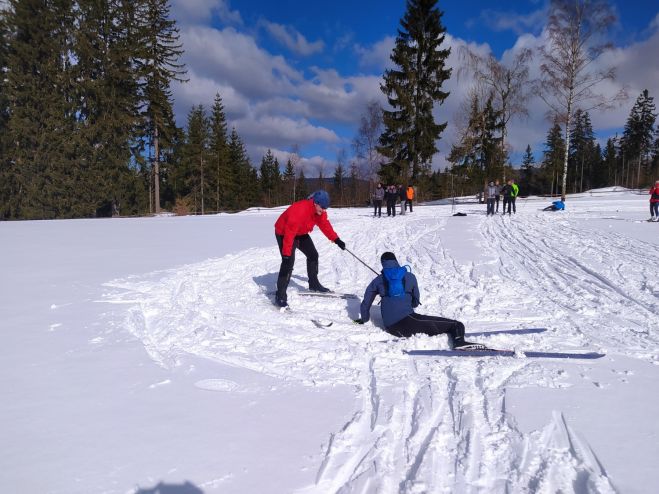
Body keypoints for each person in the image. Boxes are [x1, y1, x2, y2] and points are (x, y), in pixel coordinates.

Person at [353, 252, 484, 350]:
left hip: (391, 328)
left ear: (383, 264)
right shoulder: (409, 276)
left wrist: (364, 319)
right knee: (456, 325)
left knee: (423, 322)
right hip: (408, 322)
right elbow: (415, 301)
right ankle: (459, 342)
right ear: (396, 261)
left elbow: (366, 303)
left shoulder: (378, 280)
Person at [274, 190, 346, 307]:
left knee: (313, 255)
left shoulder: (320, 212)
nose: (323, 210)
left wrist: (336, 239)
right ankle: (280, 295)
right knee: (288, 263)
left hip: (300, 233)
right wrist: (286, 253)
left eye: (325, 208)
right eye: (322, 207)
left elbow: (324, 225)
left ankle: (314, 284)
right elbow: (290, 232)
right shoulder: (300, 210)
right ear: (315, 203)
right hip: (284, 233)